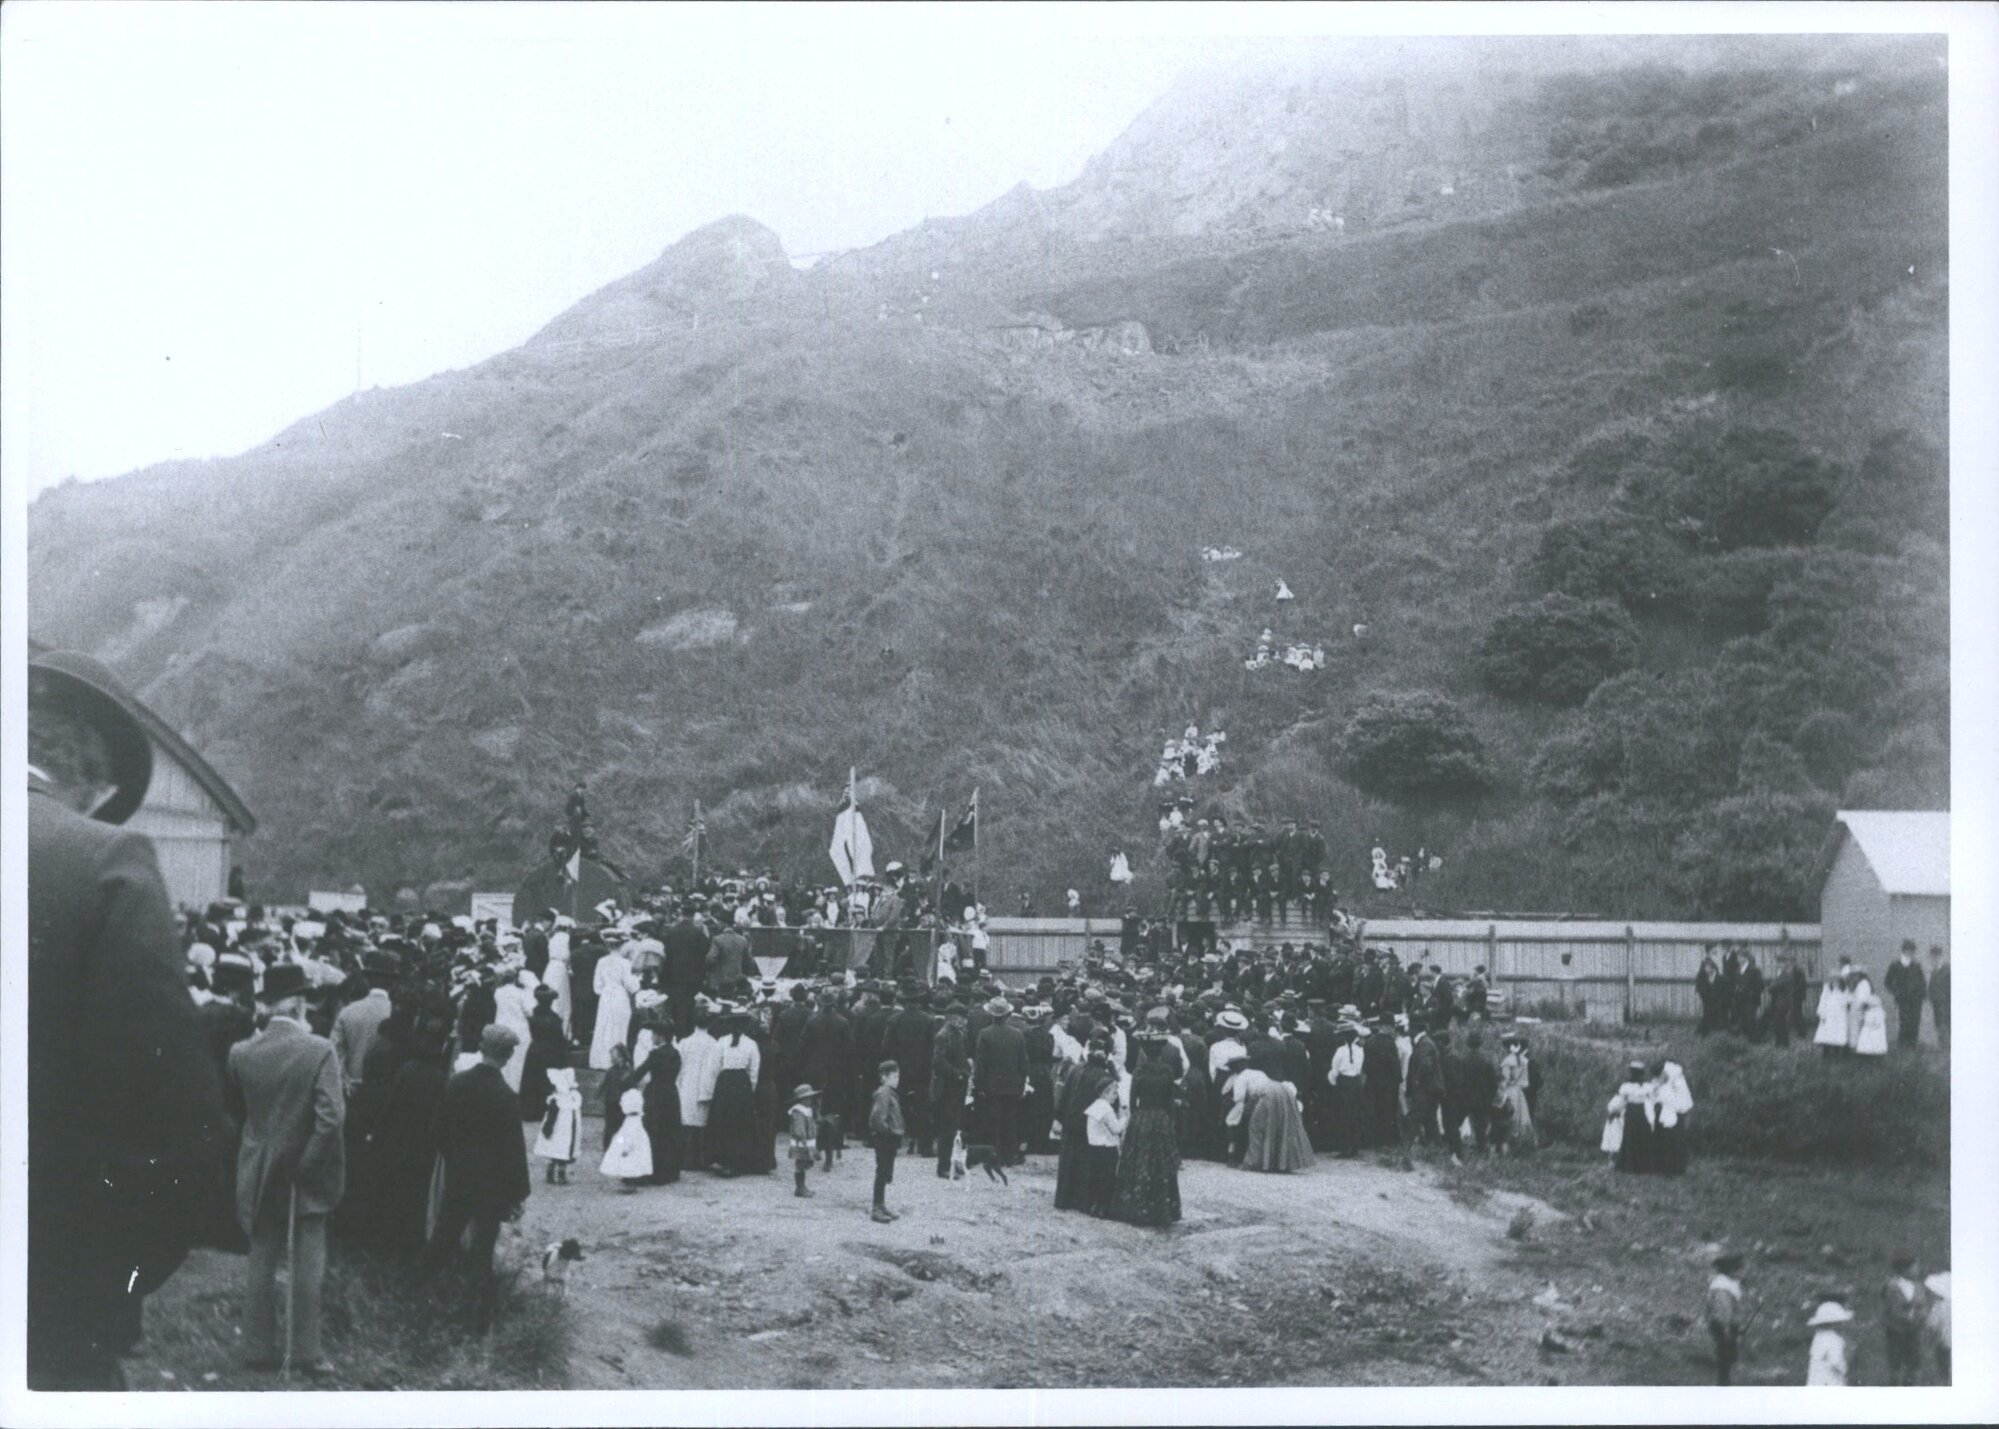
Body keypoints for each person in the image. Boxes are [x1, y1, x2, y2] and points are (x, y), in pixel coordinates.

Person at [26, 652, 236, 1389]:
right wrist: (94, 1293)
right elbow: (176, 1132)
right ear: (92, 777)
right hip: (37, 1315)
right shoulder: (102, 858)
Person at [227, 962, 346, 1375]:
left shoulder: (242, 1052)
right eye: (307, 1000)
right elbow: (331, 1117)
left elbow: (239, 1110)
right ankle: (304, 1352)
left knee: (261, 1257)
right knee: (306, 1262)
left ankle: (257, 1348)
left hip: (258, 1168)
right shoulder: (318, 1050)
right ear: (296, 1004)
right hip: (303, 1171)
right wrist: (308, 1163)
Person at [425, 1024, 531, 1326]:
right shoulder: (506, 1096)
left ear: (482, 1049)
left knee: (443, 1238)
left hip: (458, 1178)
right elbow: (513, 1151)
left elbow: (438, 1133)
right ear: (509, 1056)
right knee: (482, 1250)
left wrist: (456, 1160)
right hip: (491, 1188)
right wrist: (518, 1193)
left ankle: (414, 1293)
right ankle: (475, 1316)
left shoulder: (457, 1084)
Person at [1111, 1037, 1182, 1227]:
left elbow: (1133, 1099)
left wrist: (1136, 1118)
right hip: (1161, 1117)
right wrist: (1168, 1120)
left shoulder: (1140, 1071)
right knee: (1161, 1161)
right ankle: (1162, 1208)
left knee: (1139, 1159)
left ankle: (1136, 1205)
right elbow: (1169, 1100)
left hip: (1142, 1116)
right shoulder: (1167, 1071)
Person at [1054, 1050, 1118, 1211]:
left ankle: (1064, 1198)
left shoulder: (1076, 1069)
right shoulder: (1103, 1075)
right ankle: (1083, 1201)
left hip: (1071, 1122)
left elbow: (1065, 1095)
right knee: (1085, 1165)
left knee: (1069, 1162)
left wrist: (1060, 1117)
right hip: (1089, 1125)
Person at [710, 1008, 765, 1176]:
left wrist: (717, 1086)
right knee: (740, 1124)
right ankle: (738, 1162)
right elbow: (754, 1071)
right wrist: (750, 1091)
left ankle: (723, 1159)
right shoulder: (751, 1044)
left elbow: (715, 1067)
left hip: (725, 1082)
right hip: (742, 1083)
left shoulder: (722, 1041)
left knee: (723, 1121)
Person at [973, 996, 1028, 1166]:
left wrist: (979, 1084)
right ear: (1008, 1014)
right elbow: (1023, 1062)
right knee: (1010, 1121)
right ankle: (1009, 1157)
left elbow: (981, 1063)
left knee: (993, 1122)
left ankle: (994, 1156)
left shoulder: (985, 1034)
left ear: (992, 1015)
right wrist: (1022, 1082)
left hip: (992, 1086)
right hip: (1013, 1085)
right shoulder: (1017, 1034)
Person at [675, 1009, 723, 1170]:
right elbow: (715, 1068)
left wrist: (679, 1082)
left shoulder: (685, 1042)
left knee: (687, 1119)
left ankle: (684, 1159)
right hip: (704, 1084)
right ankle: (699, 1159)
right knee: (701, 1120)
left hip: (687, 1083)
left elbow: (679, 1066)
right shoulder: (713, 1044)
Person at [638, 1037, 685, 1186]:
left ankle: (653, 1171)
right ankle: (669, 1171)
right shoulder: (675, 1053)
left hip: (655, 1094)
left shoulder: (655, 1054)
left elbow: (640, 1072)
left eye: (654, 1034)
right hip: (671, 1093)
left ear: (660, 1036)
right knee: (669, 1131)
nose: (651, 1037)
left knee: (653, 1130)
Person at [588, 940, 638, 1070]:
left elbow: (596, 986)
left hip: (605, 996)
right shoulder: (625, 963)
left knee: (604, 1026)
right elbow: (631, 985)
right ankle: (618, 1059)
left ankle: (600, 1060)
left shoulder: (601, 961)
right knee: (619, 1026)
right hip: (620, 995)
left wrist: (605, 990)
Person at [1081, 1078, 1127, 1216]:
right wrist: (1125, 1118)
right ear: (1105, 1093)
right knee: (1107, 1180)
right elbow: (1116, 1129)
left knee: (1096, 1178)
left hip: (1094, 1147)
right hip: (1107, 1149)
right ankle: (1104, 1209)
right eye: (1113, 1092)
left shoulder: (1095, 1106)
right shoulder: (1107, 1109)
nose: (1115, 1096)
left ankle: (1093, 1206)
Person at [869, 1060, 905, 1224]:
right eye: (894, 1076)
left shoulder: (889, 1092)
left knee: (885, 1172)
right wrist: (888, 1132)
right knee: (882, 1172)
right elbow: (877, 1118)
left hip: (890, 1139)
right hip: (884, 1139)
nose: (897, 1079)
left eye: (898, 1076)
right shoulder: (884, 1093)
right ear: (884, 1077)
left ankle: (881, 1205)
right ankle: (877, 1207)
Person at [1881, 1253, 1925, 1385]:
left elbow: (1922, 1306)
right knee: (1896, 1362)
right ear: (1904, 1270)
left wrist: (1919, 1315)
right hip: (1896, 1330)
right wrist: (1907, 1315)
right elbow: (1892, 1309)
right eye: (1914, 1267)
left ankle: (1911, 1385)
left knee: (1915, 1362)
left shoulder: (1918, 1286)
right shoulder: (1892, 1286)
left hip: (1914, 1330)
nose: (1918, 1269)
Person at [533, 1066, 583, 1183]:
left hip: (563, 1129)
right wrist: (548, 1128)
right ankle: (558, 1176)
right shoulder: (563, 1098)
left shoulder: (559, 1098)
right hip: (563, 1129)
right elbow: (552, 1116)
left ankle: (552, 1175)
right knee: (561, 1151)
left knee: (556, 1151)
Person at [1703, 1251, 1746, 1385]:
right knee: (1725, 1361)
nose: (1742, 1272)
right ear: (1731, 1270)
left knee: (1727, 1359)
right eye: (1740, 1269)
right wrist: (1728, 1329)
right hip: (1724, 1329)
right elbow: (1724, 1311)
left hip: (1725, 1327)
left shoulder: (1726, 1284)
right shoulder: (1723, 1287)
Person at [600, 1088, 653, 1188]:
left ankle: (630, 1183)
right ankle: (632, 1180)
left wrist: (624, 1146)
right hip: (636, 1144)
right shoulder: (636, 1120)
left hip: (630, 1146)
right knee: (634, 1161)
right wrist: (618, 1140)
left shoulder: (631, 1122)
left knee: (630, 1160)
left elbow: (629, 1136)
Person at [1609, 1061, 1654, 1174]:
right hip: (1641, 1112)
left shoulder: (1626, 1086)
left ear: (1632, 1073)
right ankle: (1642, 1166)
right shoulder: (1647, 1086)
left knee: (1630, 1137)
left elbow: (1622, 1101)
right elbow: (1651, 1100)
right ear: (1642, 1074)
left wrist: (1614, 1111)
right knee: (1642, 1137)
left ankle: (1630, 1165)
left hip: (1632, 1112)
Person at [1650, 1060, 1693, 1175]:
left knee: (1672, 1140)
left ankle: (1672, 1167)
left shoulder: (1675, 1082)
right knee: (1667, 1140)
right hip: (1669, 1112)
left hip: (1674, 1113)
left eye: (1662, 1074)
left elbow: (1682, 1101)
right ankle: (1666, 1166)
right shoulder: (1666, 1082)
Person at [1495, 1034, 1535, 1156]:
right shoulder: (1523, 1060)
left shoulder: (1507, 1061)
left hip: (1510, 1091)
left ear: (1507, 1047)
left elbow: (1504, 1081)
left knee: (1508, 1118)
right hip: (1519, 1092)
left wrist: (1499, 1093)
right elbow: (1526, 1082)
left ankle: (1508, 1147)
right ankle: (1522, 1145)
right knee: (1521, 1118)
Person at [1883, 941, 1927, 1048]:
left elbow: (1922, 982)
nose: (1910, 953)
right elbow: (1887, 982)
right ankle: (1903, 1045)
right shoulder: (1895, 965)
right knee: (1904, 1021)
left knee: (1915, 1021)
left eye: (1912, 951)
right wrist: (1896, 991)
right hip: (1902, 999)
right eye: (1908, 950)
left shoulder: (1916, 965)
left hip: (1916, 1000)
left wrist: (1922, 995)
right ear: (1903, 951)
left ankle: (1912, 1045)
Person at [1805, 1300, 1853, 1385]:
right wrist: (1844, 1369)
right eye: (1840, 1322)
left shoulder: (1818, 1338)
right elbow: (1836, 1361)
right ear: (1835, 1323)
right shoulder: (1834, 1339)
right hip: (1830, 1382)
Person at [788, 1084, 822, 1198]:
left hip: (807, 1142)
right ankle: (800, 1187)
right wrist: (803, 1139)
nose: (810, 1100)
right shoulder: (798, 1111)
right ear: (801, 1099)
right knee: (801, 1164)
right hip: (801, 1143)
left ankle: (802, 1186)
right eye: (808, 1098)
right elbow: (799, 1128)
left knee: (805, 1162)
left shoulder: (808, 1110)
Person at [1849, 971, 1889, 1058]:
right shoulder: (1859, 984)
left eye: (1856, 975)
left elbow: (1863, 999)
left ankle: (1864, 1051)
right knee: (1858, 1031)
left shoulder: (1864, 984)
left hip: (1863, 1010)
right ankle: (1860, 1050)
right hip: (1860, 1010)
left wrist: (1861, 1007)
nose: (1855, 977)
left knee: (1863, 1032)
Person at [1813, 966, 1851, 1058]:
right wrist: (1822, 1013)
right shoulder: (1827, 988)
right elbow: (1823, 1000)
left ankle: (1836, 1052)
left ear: (1840, 979)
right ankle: (1826, 1052)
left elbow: (1848, 1000)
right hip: (1829, 1013)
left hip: (1840, 1014)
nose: (1834, 981)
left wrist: (1845, 1003)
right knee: (1827, 1033)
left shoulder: (1844, 989)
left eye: (1836, 979)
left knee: (1837, 1033)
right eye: (1832, 979)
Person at [1924, 1270, 1951, 1383]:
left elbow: (1932, 1326)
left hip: (1944, 1345)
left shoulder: (1938, 1307)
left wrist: (1929, 1344)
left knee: (1944, 1371)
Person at [1927, 946, 1950, 1049]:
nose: (1934, 959)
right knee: (1938, 1024)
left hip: (1946, 1003)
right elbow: (1931, 986)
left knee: (1946, 1024)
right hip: (1936, 1003)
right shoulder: (1934, 971)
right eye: (1932, 957)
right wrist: (1930, 996)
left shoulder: (1948, 970)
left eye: (1936, 956)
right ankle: (1942, 1046)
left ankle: (1947, 1048)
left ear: (1941, 956)